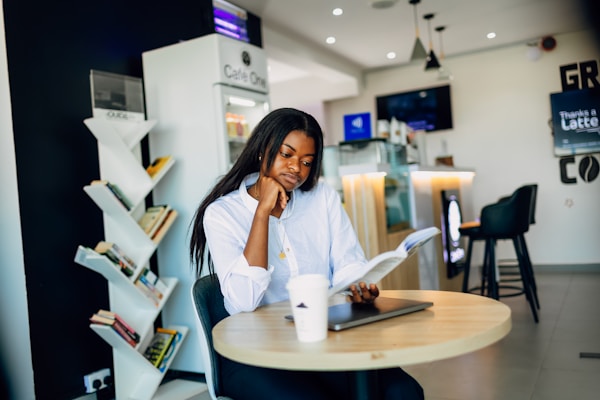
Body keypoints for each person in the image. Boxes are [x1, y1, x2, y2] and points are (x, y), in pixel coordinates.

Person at [190, 107, 424, 400]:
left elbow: (348, 261)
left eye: (306, 161)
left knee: (403, 391)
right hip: (256, 352)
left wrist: (358, 284)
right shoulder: (222, 214)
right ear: (264, 150)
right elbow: (243, 301)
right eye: (286, 155)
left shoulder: (321, 197)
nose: (296, 169)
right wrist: (262, 213)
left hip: (322, 337)